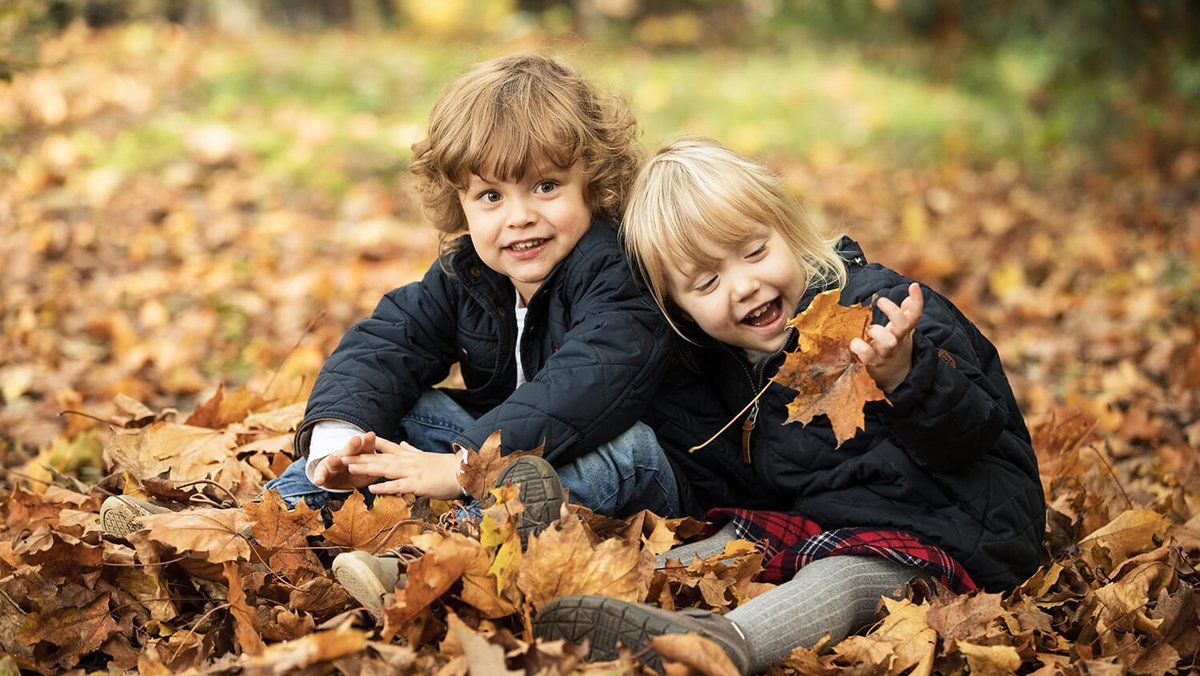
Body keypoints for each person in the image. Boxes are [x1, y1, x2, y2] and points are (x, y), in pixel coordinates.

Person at [102, 54, 691, 614]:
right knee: (409, 405)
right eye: (491, 195)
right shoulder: (470, 274)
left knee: (624, 446)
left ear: (593, 181)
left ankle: (428, 555)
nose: (519, 216)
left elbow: (588, 382)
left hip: (647, 483)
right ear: (459, 204)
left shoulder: (618, 270)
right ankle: (263, 524)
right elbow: (388, 341)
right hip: (501, 462)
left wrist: (462, 468)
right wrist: (339, 439)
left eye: (546, 187)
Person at [533, 137, 1045, 674]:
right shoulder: (735, 367)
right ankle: (593, 598)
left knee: (844, 575)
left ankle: (720, 647)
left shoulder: (879, 310)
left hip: (962, 533)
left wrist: (906, 375)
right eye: (706, 283)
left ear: (789, 232)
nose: (744, 285)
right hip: (837, 523)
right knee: (732, 542)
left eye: (754, 252)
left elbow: (973, 430)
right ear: (680, 309)